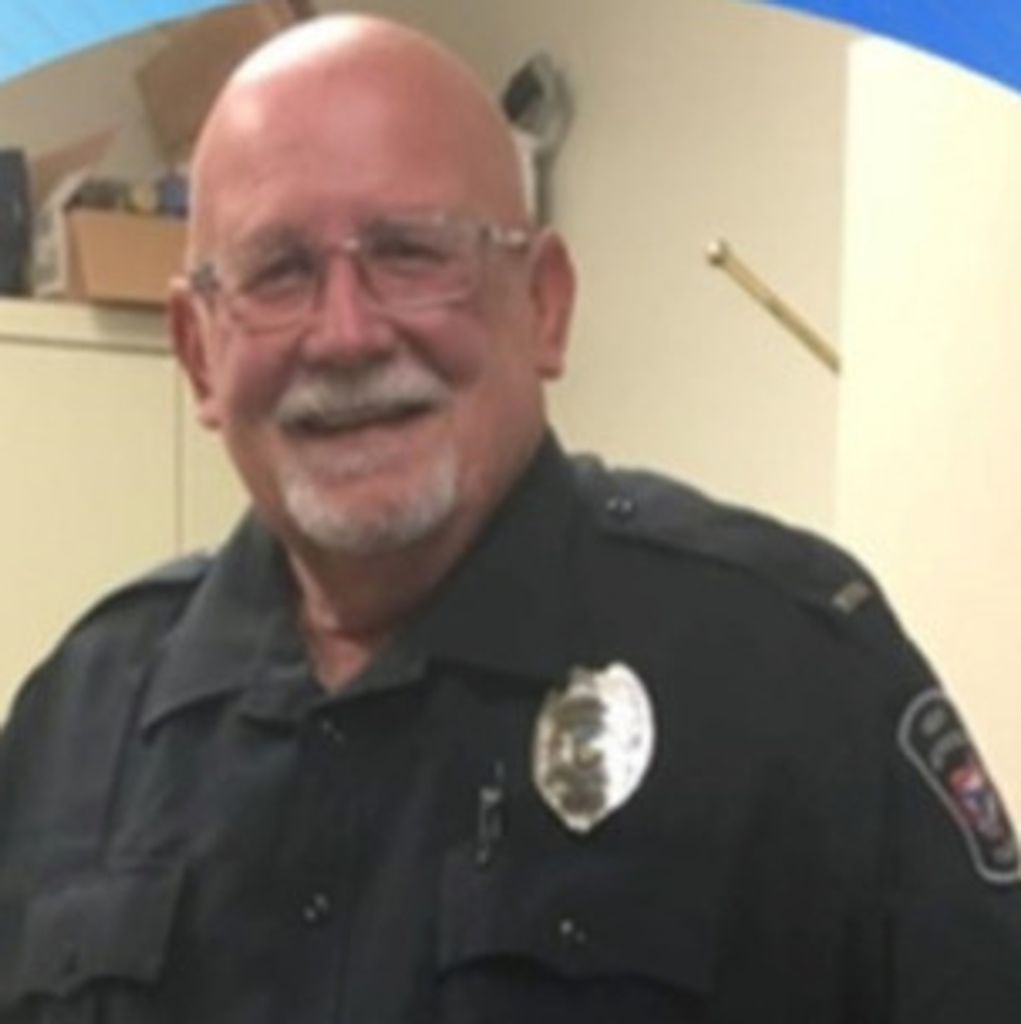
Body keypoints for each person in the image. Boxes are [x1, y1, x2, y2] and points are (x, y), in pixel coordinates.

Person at [1, 14, 1019, 1023]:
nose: (345, 334)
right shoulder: (75, 722)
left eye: (410, 252)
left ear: (543, 305)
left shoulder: (790, 673)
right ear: (197, 353)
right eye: (277, 272)